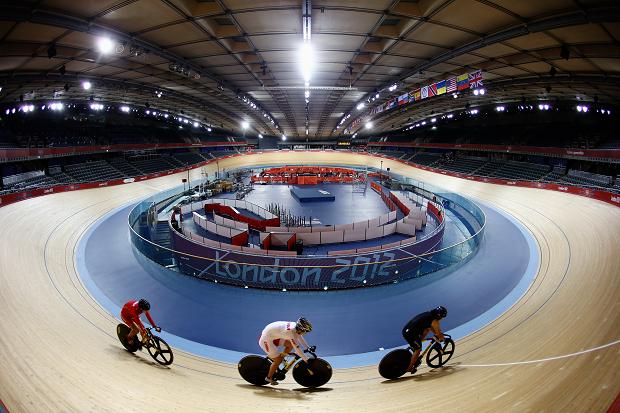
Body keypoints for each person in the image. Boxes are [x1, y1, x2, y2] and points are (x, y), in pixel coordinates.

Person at [259, 317, 313, 385]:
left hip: (272, 335)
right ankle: (269, 377)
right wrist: (305, 359)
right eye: (304, 331)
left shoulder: (295, 326)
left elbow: (299, 336)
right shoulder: (289, 333)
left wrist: (307, 347)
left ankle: (280, 356)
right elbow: (297, 348)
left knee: (289, 345)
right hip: (266, 340)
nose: (304, 333)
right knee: (278, 360)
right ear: (300, 328)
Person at [402, 306, 447, 374]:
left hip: (407, 330)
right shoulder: (434, 321)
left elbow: (430, 328)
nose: (442, 319)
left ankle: (416, 344)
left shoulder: (429, 314)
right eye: (442, 317)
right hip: (410, 334)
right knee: (418, 349)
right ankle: (409, 367)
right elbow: (438, 332)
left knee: (426, 329)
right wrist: (443, 339)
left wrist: (436, 333)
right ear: (439, 316)